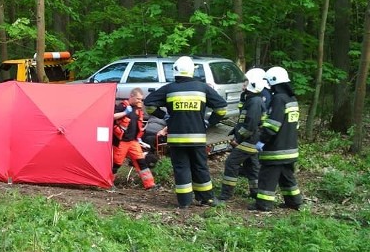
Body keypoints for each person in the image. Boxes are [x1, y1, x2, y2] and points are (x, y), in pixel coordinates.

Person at [144, 56, 227, 208]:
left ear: (175, 71)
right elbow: (221, 108)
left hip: (176, 139)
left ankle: (184, 202)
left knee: (181, 168)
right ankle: (206, 199)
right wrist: (208, 122)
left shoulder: (169, 89)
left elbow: (149, 104)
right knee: (200, 166)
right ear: (191, 71)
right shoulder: (202, 88)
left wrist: (166, 117)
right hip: (197, 137)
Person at [250, 66, 303, 212]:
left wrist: (262, 140)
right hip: (290, 148)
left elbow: (273, 125)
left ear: (274, 81)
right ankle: (294, 201)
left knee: (267, 176)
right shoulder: (291, 99)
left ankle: (263, 204)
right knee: (287, 177)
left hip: (276, 149)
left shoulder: (279, 99)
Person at [218, 71, 267, 201]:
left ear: (252, 84)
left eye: (246, 82)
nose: (243, 84)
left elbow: (250, 125)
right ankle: (255, 192)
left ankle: (225, 195)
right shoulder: (252, 99)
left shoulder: (254, 102)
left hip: (249, 140)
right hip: (253, 139)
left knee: (231, 163)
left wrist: (237, 139)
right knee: (251, 166)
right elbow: (246, 121)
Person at [112, 88, 157, 190]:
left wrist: (139, 138)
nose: (139, 101)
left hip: (133, 141)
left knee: (141, 162)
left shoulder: (137, 109)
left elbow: (138, 125)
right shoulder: (123, 106)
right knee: (116, 163)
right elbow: (112, 116)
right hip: (121, 141)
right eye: (138, 99)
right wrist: (124, 113)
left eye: (141, 99)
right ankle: (108, 183)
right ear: (131, 96)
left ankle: (150, 185)